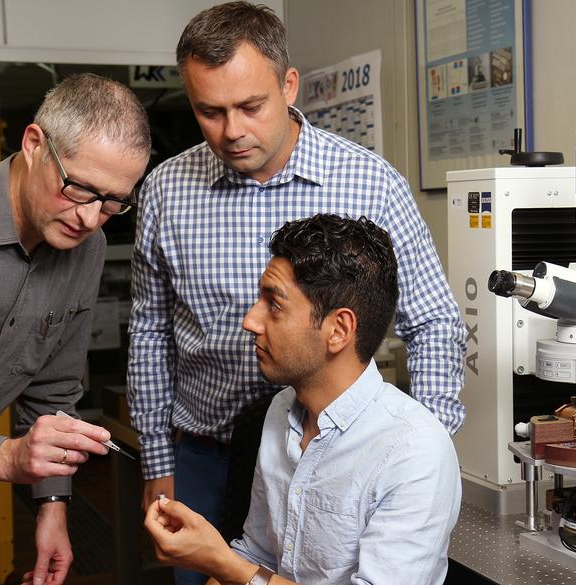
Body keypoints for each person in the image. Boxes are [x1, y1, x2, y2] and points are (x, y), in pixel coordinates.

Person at [127, 3, 466, 583]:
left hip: (334, 452)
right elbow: (150, 330)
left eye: (249, 107)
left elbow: (433, 321)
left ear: (288, 86)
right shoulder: (164, 191)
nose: (231, 131)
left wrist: (412, 456)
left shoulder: (371, 183)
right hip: (204, 454)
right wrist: (158, 460)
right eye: (209, 112)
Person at [144, 214, 462, 585]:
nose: (250, 321)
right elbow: (257, 554)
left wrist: (219, 561)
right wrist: (222, 562)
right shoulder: (281, 410)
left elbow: (242, 569)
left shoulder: (413, 450)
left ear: (338, 330)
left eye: (274, 305)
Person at [0, 73, 150, 585]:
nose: (89, 219)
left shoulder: (86, 248)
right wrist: (2, 454)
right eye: (80, 189)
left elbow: (53, 392)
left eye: (112, 203)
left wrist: (53, 505)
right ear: (35, 143)